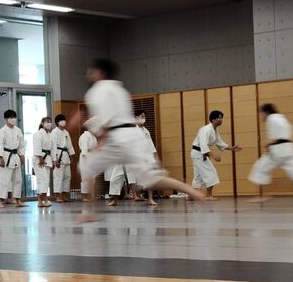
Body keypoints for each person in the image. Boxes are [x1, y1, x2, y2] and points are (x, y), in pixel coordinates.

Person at [75, 58, 204, 222]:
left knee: (86, 167)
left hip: (116, 137)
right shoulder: (119, 89)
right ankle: (188, 189)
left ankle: (89, 212)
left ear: (100, 73)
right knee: (151, 179)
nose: (89, 75)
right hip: (133, 136)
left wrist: (101, 140)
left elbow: (106, 119)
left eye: (92, 72)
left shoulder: (97, 90)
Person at [249, 103, 293, 203]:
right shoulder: (282, 118)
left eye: (261, 113)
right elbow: (285, 133)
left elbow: (275, 137)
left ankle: (262, 195)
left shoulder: (271, 119)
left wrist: (268, 144)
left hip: (278, 150)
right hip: (289, 149)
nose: (260, 116)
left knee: (260, 167)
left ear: (266, 112)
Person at [191, 110, 242, 200]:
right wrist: (213, 155)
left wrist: (231, 148)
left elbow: (219, 142)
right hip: (198, 153)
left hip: (200, 153)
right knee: (211, 173)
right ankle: (209, 196)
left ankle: (191, 195)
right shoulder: (205, 129)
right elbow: (203, 145)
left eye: (221, 118)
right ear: (213, 119)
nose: (221, 119)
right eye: (218, 118)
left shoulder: (214, 129)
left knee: (198, 176)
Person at [0, 109, 26, 209]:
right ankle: (0, 201)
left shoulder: (18, 130)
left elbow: (21, 145)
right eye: (10, 117)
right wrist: (0, 157)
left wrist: (22, 156)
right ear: (6, 119)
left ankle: (18, 199)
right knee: (4, 180)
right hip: (5, 156)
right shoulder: (2, 131)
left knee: (18, 180)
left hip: (15, 156)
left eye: (14, 117)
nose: (13, 119)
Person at [133, 109, 159, 206]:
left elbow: (151, 146)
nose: (144, 118)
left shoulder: (146, 131)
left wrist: (155, 158)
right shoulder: (133, 131)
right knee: (139, 180)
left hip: (148, 157)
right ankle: (137, 194)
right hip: (138, 158)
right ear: (136, 118)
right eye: (142, 116)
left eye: (144, 116)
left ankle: (150, 198)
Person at [51, 114, 75, 203]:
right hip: (59, 155)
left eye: (64, 120)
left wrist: (71, 156)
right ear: (57, 122)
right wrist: (55, 159)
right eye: (61, 120)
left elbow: (70, 145)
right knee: (58, 177)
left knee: (67, 176)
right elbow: (53, 147)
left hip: (66, 156)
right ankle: (58, 196)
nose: (64, 122)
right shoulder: (54, 132)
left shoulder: (66, 132)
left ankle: (65, 196)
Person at [33, 117, 54, 207]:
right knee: (42, 180)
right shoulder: (38, 134)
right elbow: (37, 147)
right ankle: (43, 200)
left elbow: (53, 148)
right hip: (39, 159)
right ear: (42, 123)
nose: (49, 123)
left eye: (50, 122)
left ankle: (41, 201)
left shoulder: (50, 135)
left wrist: (54, 160)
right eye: (47, 122)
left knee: (45, 180)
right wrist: (40, 158)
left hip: (47, 159)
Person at [78, 127, 97, 202]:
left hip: (92, 157)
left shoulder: (93, 137)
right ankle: (84, 196)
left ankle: (91, 195)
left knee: (92, 178)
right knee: (85, 177)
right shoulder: (85, 135)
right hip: (85, 158)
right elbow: (84, 149)